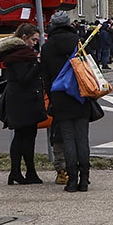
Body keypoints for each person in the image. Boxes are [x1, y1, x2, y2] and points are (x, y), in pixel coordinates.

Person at [41, 10, 93, 192]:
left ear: (53, 26)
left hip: (60, 97)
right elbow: (90, 68)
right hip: (81, 96)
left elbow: (45, 77)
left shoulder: (47, 47)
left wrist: (52, 96)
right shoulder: (79, 43)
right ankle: (85, 180)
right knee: (82, 138)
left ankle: (72, 181)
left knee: (68, 139)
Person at [0, 27, 46, 185]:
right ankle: (26, 172)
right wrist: (37, 64)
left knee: (20, 137)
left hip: (18, 100)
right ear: (24, 37)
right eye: (33, 39)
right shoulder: (22, 55)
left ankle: (17, 172)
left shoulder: (14, 53)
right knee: (27, 138)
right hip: (25, 100)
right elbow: (24, 78)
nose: (35, 43)